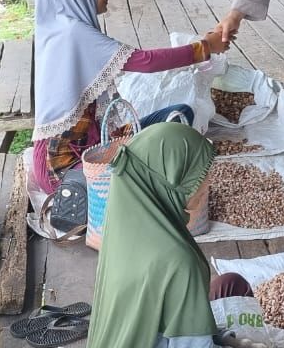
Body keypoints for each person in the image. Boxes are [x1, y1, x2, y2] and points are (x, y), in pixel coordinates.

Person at [30, 0, 229, 194]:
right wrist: (204, 48)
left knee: (180, 114)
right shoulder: (73, 32)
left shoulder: (64, 27)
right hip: (65, 171)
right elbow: (146, 62)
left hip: (91, 147)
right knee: (163, 151)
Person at [89, 122, 253, 347]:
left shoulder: (123, 227)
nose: (207, 182)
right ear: (169, 181)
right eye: (197, 174)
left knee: (231, 284)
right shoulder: (178, 262)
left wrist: (225, 338)